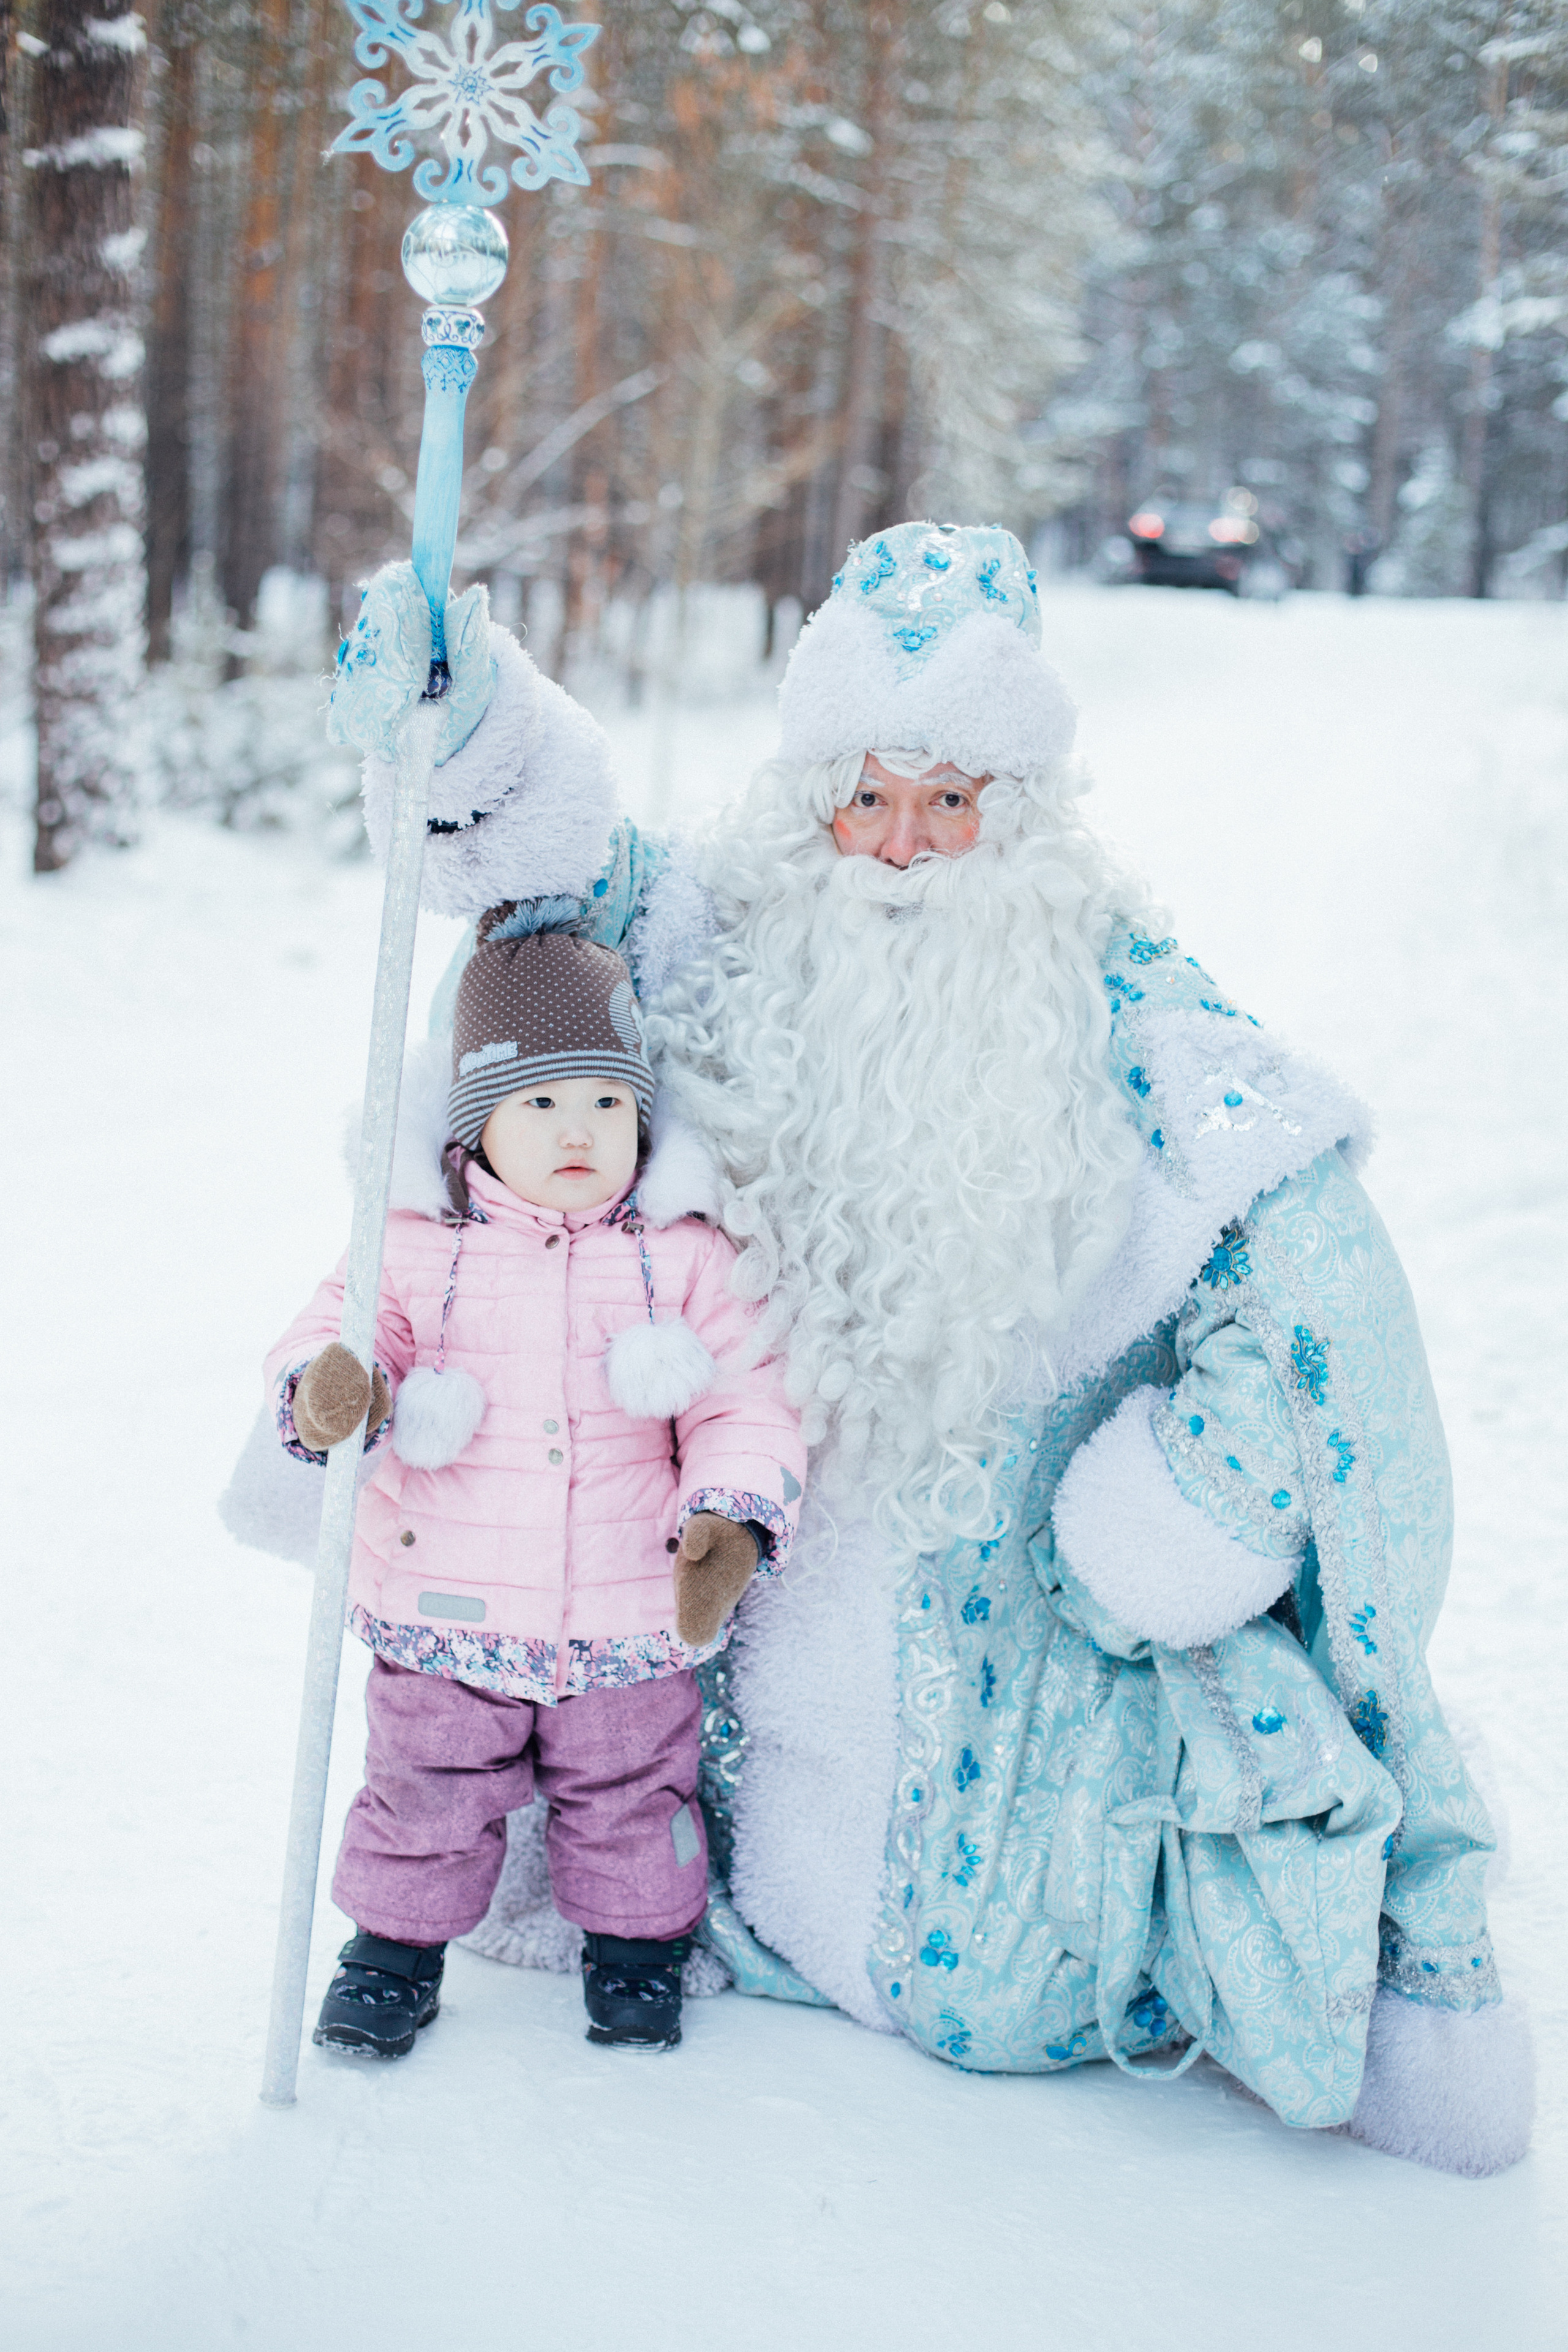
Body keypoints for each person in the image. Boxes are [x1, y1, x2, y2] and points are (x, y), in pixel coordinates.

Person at [297, 519, 1531, 2172]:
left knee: (1003, 1977)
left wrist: (1204, 1496)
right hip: (716, 1606)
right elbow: (557, 883)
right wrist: (468, 721)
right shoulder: (725, 935)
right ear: (811, 800)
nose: (896, 846)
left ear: (1020, 818)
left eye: (949, 802)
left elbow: (1301, 1256)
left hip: (999, 1661)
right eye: (864, 798)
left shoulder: (1112, 996)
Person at [263, 916, 805, 2055]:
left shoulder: (683, 1256)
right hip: (441, 1608)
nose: (578, 1133)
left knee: (632, 1793)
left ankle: (640, 1951)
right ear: (477, 1128)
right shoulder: (412, 1248)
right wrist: (332, 1388)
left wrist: (730, 1515)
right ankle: (392, 1952)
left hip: (625, 1611)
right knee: (426, 1792)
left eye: (607, 1104)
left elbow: (743, 1402)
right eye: (542, 1104)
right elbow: (337, 1334)